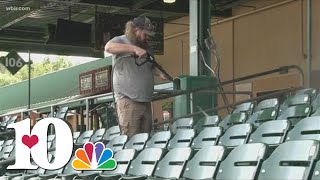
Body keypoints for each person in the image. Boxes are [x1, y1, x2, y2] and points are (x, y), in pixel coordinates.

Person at [105, 16, 166, 138]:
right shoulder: (121, 40)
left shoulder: (147, 48)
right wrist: (134, 49)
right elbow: (108, 47)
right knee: (131, 141)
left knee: (145, 141)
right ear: (135, 29)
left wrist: (159, 72)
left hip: (146, 101)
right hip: (128, 101)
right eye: (145, 33)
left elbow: (151, 65)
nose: (148, 37)